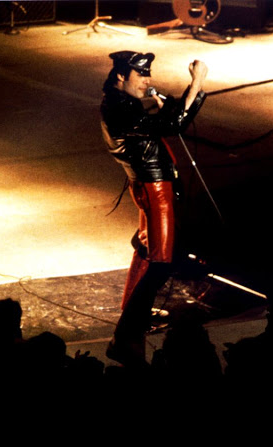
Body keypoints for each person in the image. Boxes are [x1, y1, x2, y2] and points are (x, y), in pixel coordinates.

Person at [100, 50, 208, 367]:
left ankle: (131, 313)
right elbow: (173, 125)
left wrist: (175, 103)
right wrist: (197, 83)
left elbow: (164, 123)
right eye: (140, 74)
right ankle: (126, 335)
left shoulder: (121, 103)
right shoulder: (120, 107)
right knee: (162, 261)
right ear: (121, 75)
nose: (147, 80)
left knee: (148, 251)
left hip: (149, 185)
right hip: (154, 188)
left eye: (148, 74)